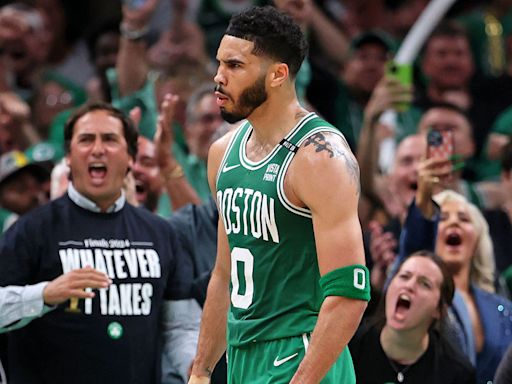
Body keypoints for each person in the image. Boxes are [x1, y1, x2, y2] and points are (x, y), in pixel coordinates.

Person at [189, 6, 370, 384]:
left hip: (301, 352)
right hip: (243, 355)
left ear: (277, 74)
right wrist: (202, 371)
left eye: (235, 66)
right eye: (219, 63)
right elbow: (224, 274)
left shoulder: (320, 157)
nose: (218, 78)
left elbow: (349, 295)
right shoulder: (222, 153)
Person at [0, 102, 192, 383]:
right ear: (68, 157)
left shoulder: (160, 234)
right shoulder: (31, 230)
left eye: (110, 139)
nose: (98, 149)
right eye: (86, 139)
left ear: (130, 158)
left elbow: (181, 325)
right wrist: (43, 295)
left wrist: (192, 367)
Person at [350, 250, 475, 383]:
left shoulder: (457, 373)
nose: (409, 286)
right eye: (404, 276)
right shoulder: (351, 345)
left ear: (440, 310)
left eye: (425, 284)